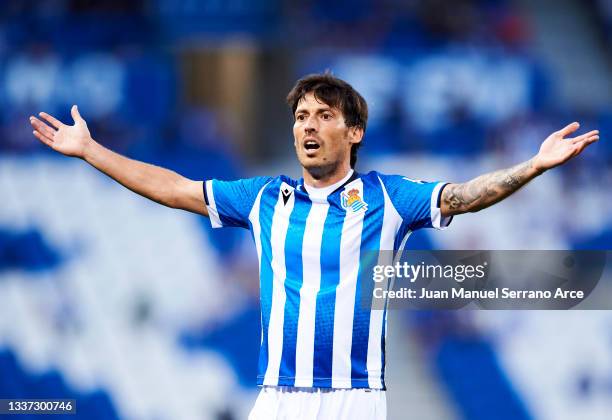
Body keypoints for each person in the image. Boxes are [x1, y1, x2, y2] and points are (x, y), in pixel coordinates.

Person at [29, 73, 599, 420]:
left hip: (354, 397)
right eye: (301, 115)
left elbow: (466, 197)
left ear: (353, 133)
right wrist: (92, 152)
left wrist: (532, 165)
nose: (308, 125)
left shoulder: (388, 197)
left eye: (324, 115)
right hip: (278, 398)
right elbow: (175, 189)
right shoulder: (261, 198)